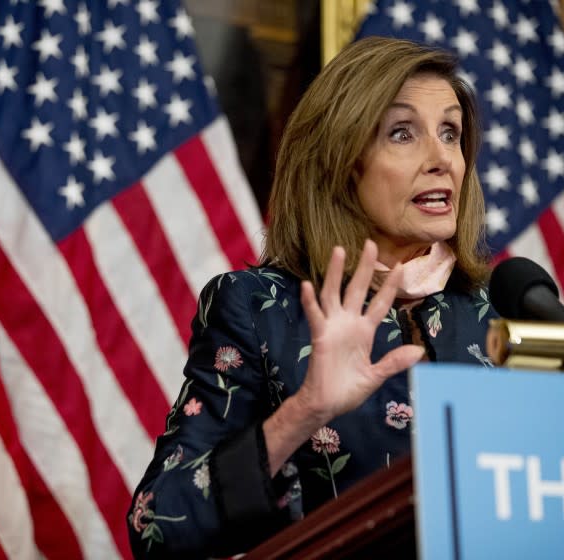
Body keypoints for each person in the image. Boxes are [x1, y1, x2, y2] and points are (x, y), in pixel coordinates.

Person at [127, 36, 498, 558]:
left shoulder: (500, 313)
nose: (442, 159)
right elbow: (155, 522)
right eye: (402, 133)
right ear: (343, 160)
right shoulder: (258, 309)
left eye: (450, 132)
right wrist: (303, 411)